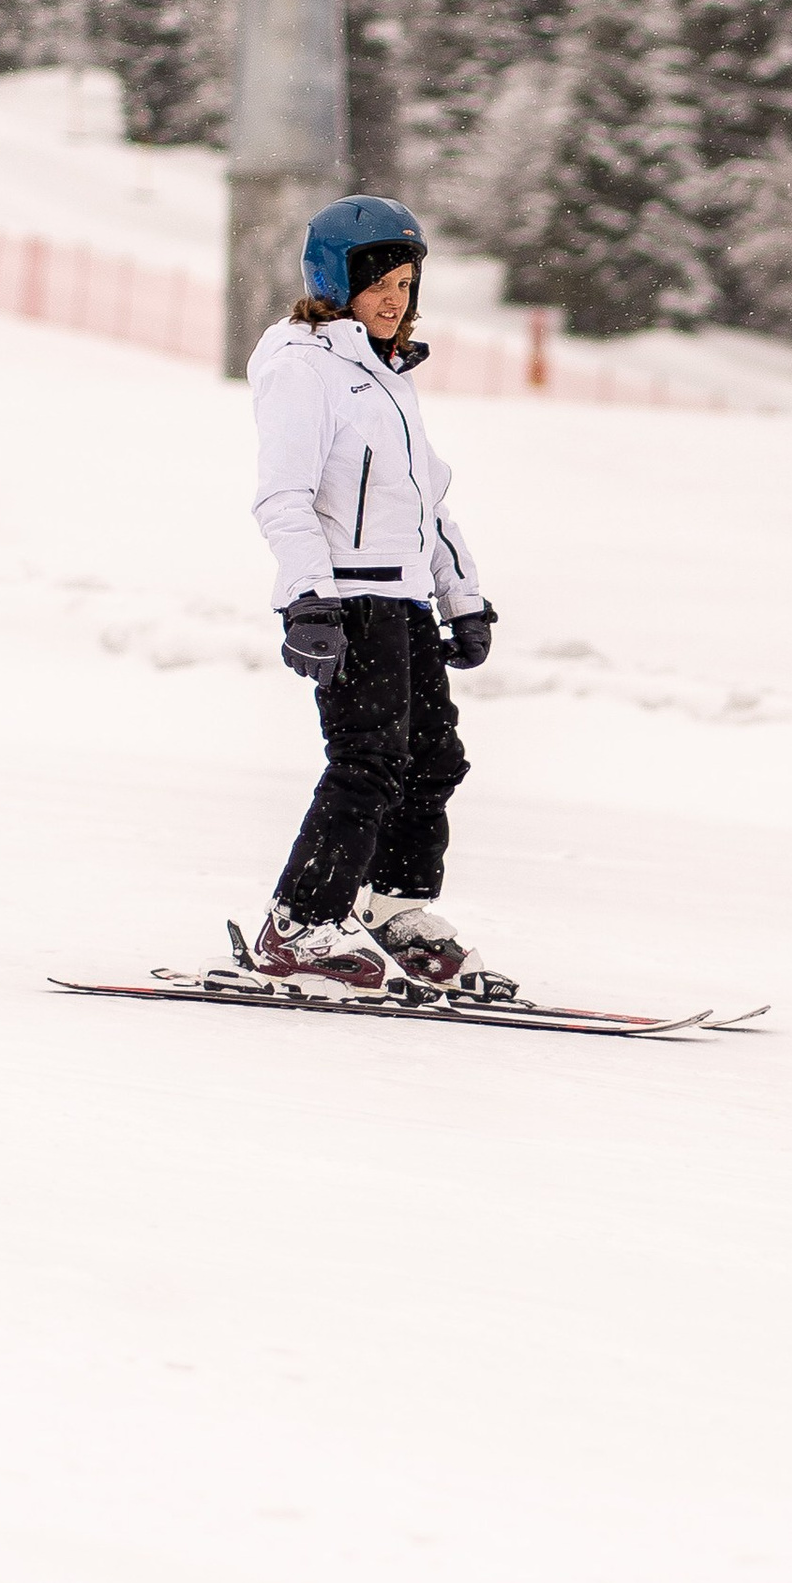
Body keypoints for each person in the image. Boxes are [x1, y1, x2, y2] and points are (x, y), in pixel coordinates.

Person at [247, 192, 498, 987]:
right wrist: (307, 600)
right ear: (334, 280)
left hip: (406, 600)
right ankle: (299, 924)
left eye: (406, 284)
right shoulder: (304, 369)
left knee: (433, 760)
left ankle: (394, 904)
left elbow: (428, 498)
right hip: (349, 600)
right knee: (368, 763)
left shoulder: (386, 375)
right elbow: (283, 497)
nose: (395, 299)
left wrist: (462, 597)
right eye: (378, 283)